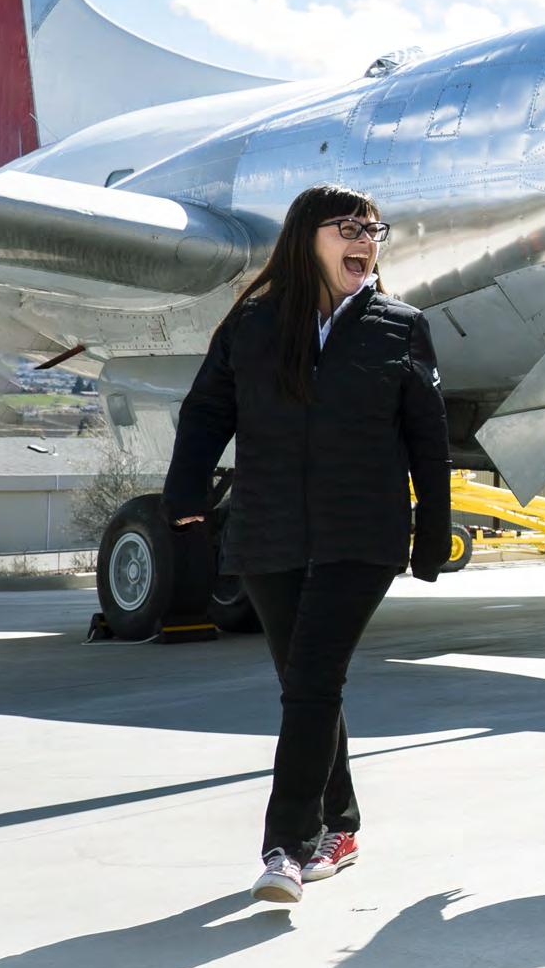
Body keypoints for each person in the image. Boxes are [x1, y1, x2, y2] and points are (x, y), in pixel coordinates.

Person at [166, 185, 450, 905]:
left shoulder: (400, 326)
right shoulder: (253, 324)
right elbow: (207, 411)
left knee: (313, 680)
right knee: (306, 684)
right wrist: (185, 493)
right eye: (347, 227)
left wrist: (432, 529)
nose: (365, 241)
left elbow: (428, 435)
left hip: (362, 533)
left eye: (374, 230)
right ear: (305, 238)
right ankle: (340, 826)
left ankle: (286, 848)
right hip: (267, 529)